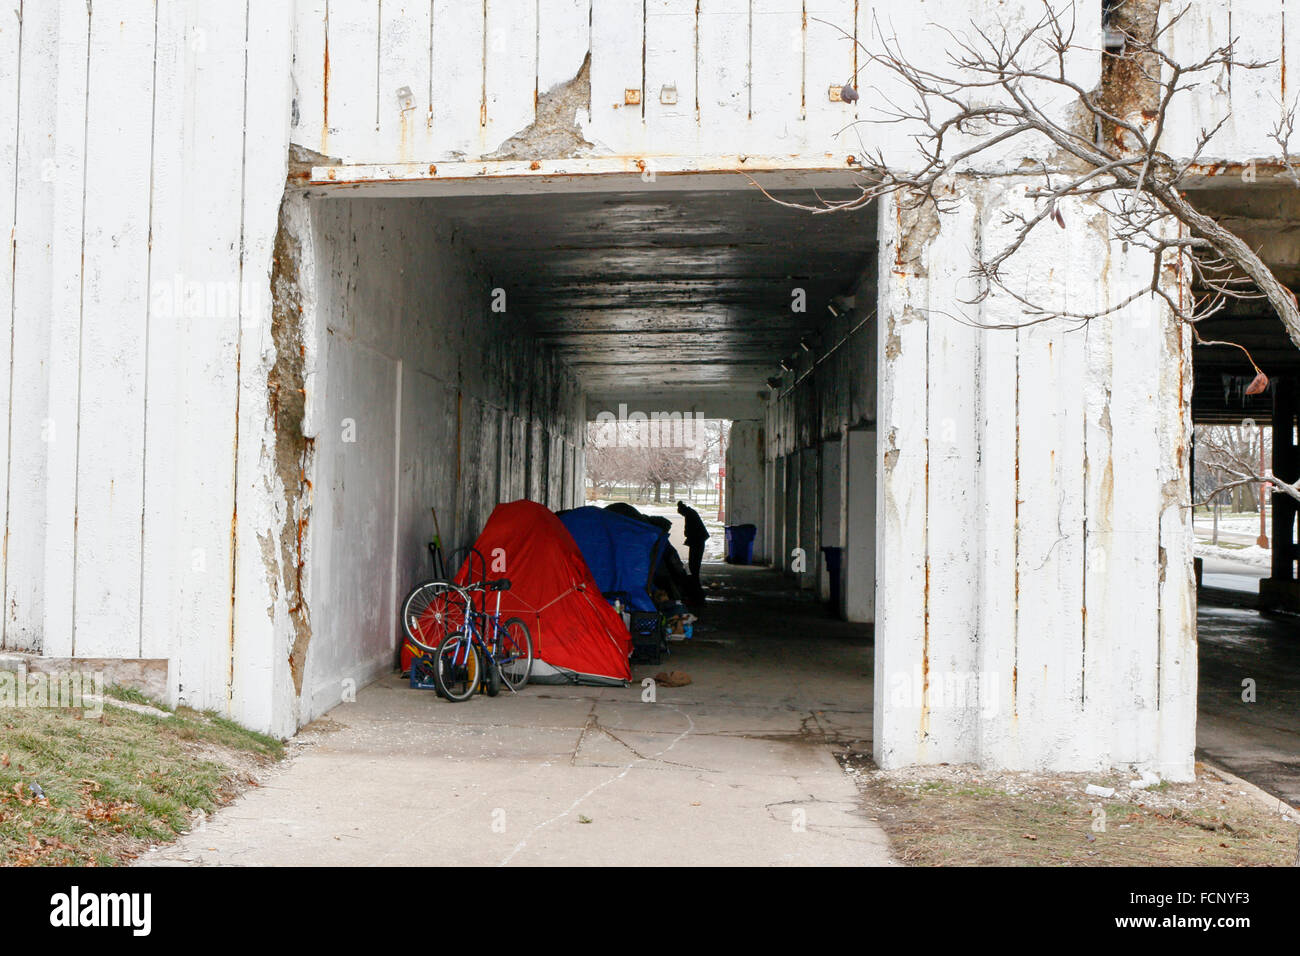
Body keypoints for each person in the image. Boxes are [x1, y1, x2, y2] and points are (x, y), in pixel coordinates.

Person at [677, 500, 709, 602]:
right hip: (698, 540)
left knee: (694, 564)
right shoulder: (691, 513)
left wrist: (687, 534)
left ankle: (696, 587)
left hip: (697, 541)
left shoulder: (689, 515)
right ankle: (696, 584)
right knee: (694, 564)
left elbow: (688, 531)